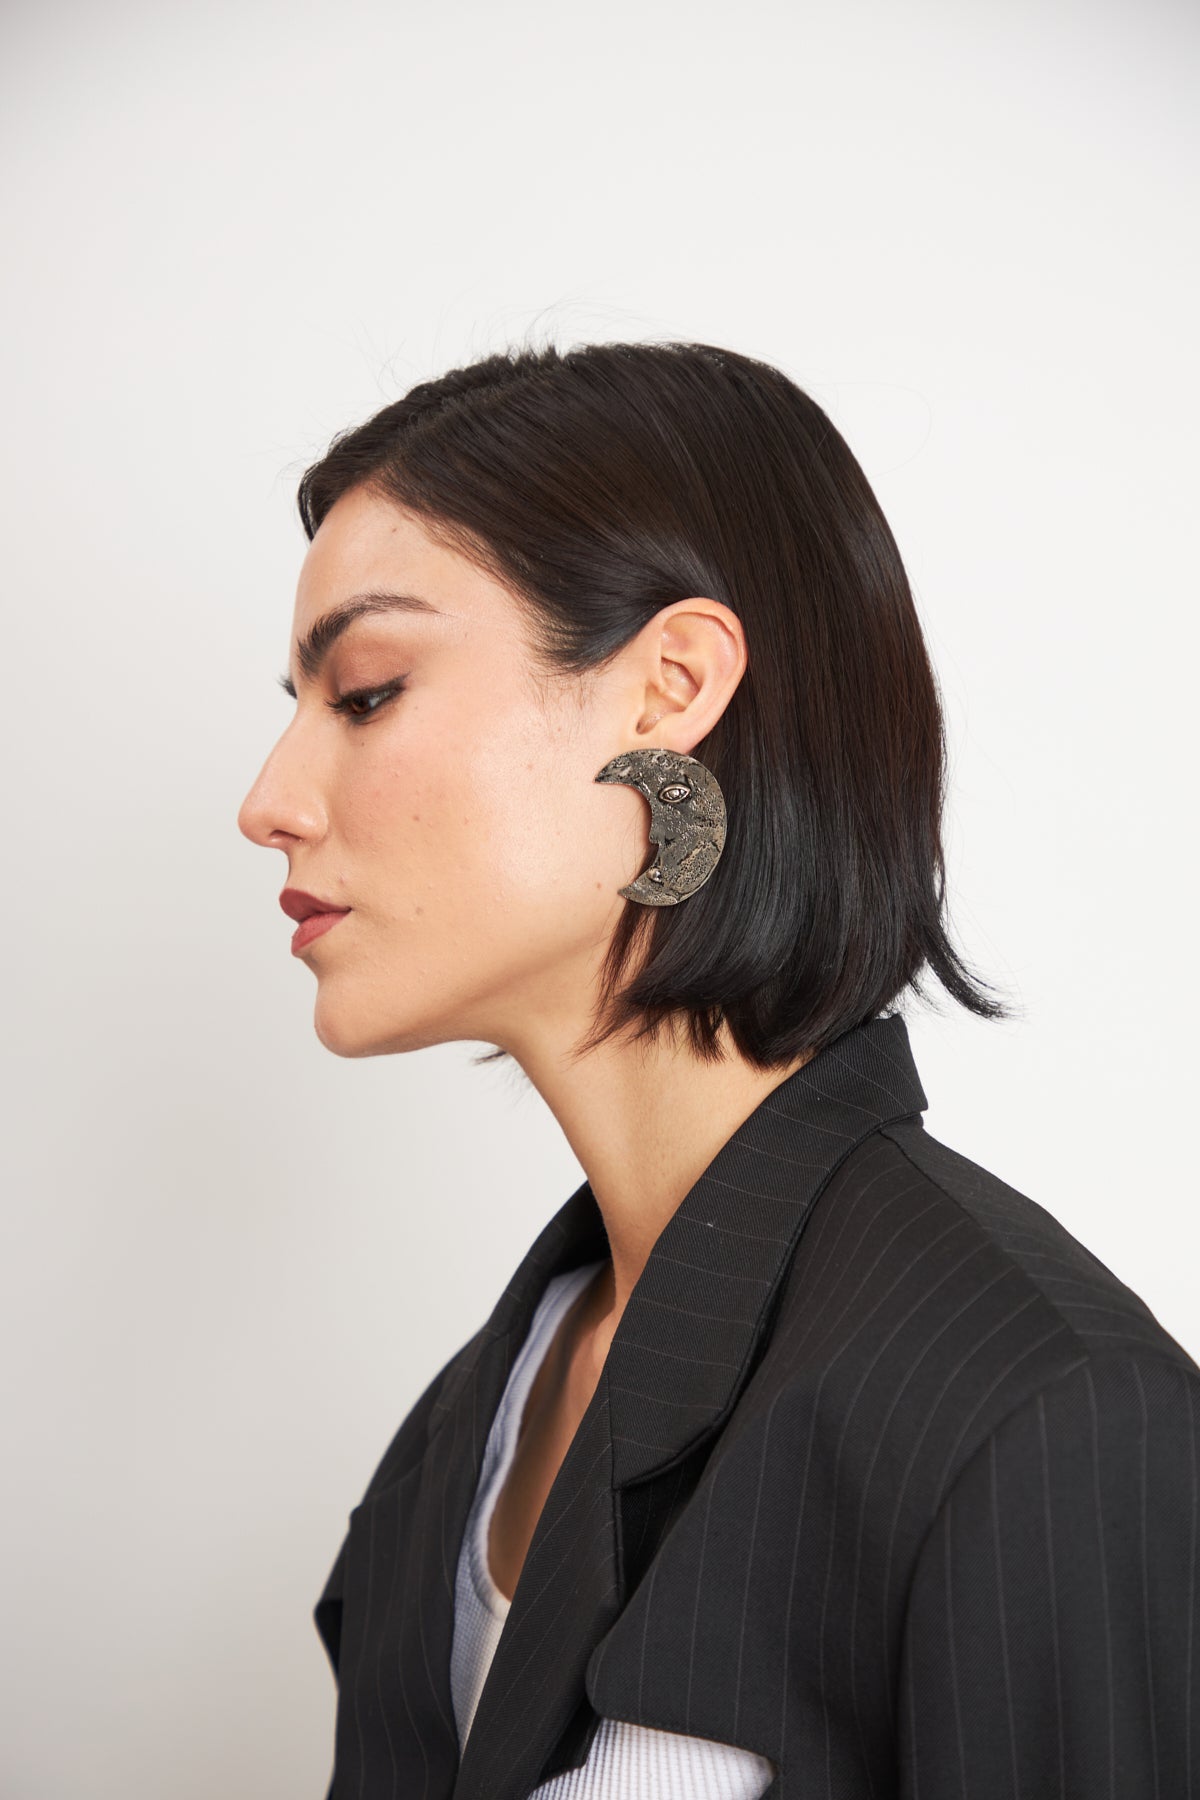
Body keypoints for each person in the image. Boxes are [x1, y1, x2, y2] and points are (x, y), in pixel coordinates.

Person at [237, 340, 1199, 1800]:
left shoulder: (1037, 1410)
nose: (269, 800)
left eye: (364, 692)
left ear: (669, 687)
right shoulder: (466, 1430)